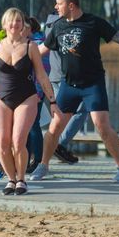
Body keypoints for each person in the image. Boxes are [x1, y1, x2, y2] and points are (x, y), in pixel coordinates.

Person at [30, 0, 119, 182]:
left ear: (71, 5)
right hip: (68, 85)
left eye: (59, 3)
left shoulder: (94, 22)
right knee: (54, 127)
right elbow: (40, 49)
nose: (55, 7)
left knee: (102, 126)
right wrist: (15, 52)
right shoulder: (58, 26)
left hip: (93, 84)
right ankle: (43, 166)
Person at [0, 8, 60, 195]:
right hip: (1, 99)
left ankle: (21, 179)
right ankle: (11, 179)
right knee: (3, 143)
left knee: (18, 141)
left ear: (23, 24)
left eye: (18, 20)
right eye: (11, 21)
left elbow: (42, 76)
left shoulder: (30, 46)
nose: (14, 24)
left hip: (26, 98)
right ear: (4, 24)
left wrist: (52, 101)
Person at [44, 11, 83, 164]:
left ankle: (55, 144)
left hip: (54, 75)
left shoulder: (48, 25)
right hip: (66, 75)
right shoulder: (64, 25)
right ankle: (59, 144)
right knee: (82, 110)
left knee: (60, 114)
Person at [24, 17, 49, 173]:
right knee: (26, 125)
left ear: (29, 29)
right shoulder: (30, 42)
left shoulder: (38, 44)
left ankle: (38, 160)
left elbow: (42, 70)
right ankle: (25, 160)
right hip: (27, 89)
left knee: (33, 125)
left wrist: (38, 92)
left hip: (36, 89)